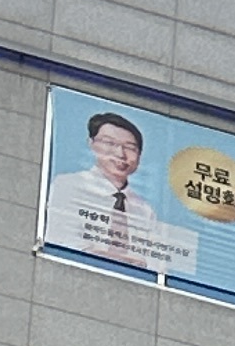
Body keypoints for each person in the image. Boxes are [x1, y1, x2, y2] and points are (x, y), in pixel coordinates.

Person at [41, 107, 190, 271]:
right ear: (91, 144)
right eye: (110, 143)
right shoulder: (69, 185)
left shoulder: (144, 210)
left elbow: (154, 265)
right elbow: (64, 243)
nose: (120, 154)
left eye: (130, 148)